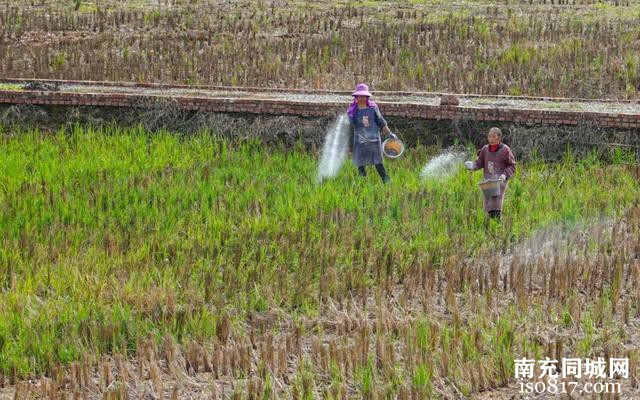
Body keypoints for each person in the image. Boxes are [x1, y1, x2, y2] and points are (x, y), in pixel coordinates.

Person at [346, 83, 395, 183]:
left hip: (374, 141)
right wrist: (350, 146)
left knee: (378, 163)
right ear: (356, 97)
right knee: (360, 164)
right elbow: (350, 128)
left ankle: (386, 180)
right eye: (360, 96)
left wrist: (389, 134)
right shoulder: (353, 112)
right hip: (360, 142)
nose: (362, 98)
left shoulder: (373, 109)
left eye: (364, 96)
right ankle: (362, 183)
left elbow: (381, 122)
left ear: (367, 97)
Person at [464, 127, 516, 220]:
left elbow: (512, 166)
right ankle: (490, 229)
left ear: (499, 138)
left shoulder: (505, 150)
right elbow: (479, 163)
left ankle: (498, 227)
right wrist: (472, 166)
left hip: (500, 182)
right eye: (489, 136)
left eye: (493, 136)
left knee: (496, 206)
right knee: (488, 206)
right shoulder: (485, 149)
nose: (491, 139)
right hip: (488, 182)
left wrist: (504, 175)